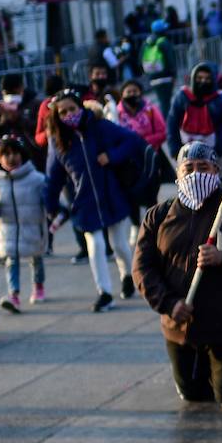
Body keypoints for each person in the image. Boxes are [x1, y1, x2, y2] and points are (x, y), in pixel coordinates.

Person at [133, 142, 222, 409]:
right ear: (177, 174)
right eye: (188, 168)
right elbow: (142, 268)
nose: (195, 174)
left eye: (203, 167)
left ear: (217, 171)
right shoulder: (159, 215)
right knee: (192, 395)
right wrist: (168, 303)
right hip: (179, 325)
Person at [44, 88, 146, 311]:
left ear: (81, 107)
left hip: (112, 195)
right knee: (96, 245)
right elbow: (53, 176)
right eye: (63, 112)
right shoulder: (58, 141)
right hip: (84, 202)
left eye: (72, 109)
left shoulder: (100, 127)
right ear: (56, 116)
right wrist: (51, 206)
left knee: (119, 243)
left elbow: (133, 141)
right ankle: (105, 292)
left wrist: (112, 156)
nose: (69, 114)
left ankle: (128, 275)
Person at [0, 135, 47, 311]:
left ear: (22, 155)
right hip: (7, 230)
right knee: (11, 262)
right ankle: (14, 295)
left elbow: (46, 200)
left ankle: (38, 286)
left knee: (36, 259)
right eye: (6, 154)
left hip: (32, 226)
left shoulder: (36, 179)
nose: (11, 158)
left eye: (15, 153)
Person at [166, 62, 222, 165]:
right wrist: (175, 150)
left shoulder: (221, 99)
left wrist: (219, 148)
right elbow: (171, 124)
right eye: (199, 78)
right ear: (193, 78)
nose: (203, 81)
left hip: (214, 154)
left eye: (207, 78)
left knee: (218, 180)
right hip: (186, 153)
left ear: (214, 80)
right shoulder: (182, 97)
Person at [115, 80, 167, 152]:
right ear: (122, 95)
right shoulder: (116, 114)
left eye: (135, 91)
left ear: (140, 93)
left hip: (152, 152)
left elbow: (163, 132)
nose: (132, 94)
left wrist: (143, 142)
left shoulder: (150, 109)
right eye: (128, 92)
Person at [141, 19, 177, 116]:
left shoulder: (146, 43)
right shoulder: (164, 42)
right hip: (166, 77)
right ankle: (165, 126)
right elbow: (170, 60)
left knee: (162, 102)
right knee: (166, 104)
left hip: (152, 77)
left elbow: (140, 59)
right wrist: (174, 75)